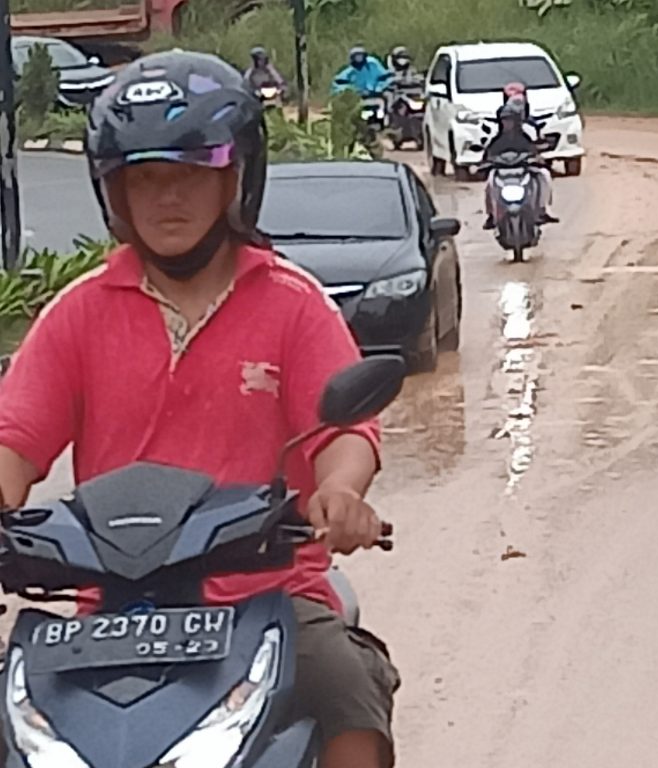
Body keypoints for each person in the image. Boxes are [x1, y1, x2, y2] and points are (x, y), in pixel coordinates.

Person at [0, 50, 399, 768]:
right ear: (114, 194)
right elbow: (13, 442)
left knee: (349, 697)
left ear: (235, 180)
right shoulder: (78, 314)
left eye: (188, 174)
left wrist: (340, 493)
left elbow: (345, 427)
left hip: (270, 599)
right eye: (144, 178)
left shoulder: (292, 303)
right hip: (107, 618)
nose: (166, 197)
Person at [483, 100, 557, 230]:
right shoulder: (496, 140)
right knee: (489, 182)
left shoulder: (525, 137)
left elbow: (534, 151)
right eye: (504, 120)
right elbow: (488, 155)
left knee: (544, 175)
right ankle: (491, 214)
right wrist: (483, 164)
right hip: (502, 172)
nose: (507, 123)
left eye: (510, 120)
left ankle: (543, 208)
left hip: (523, 170)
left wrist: (538, 159)